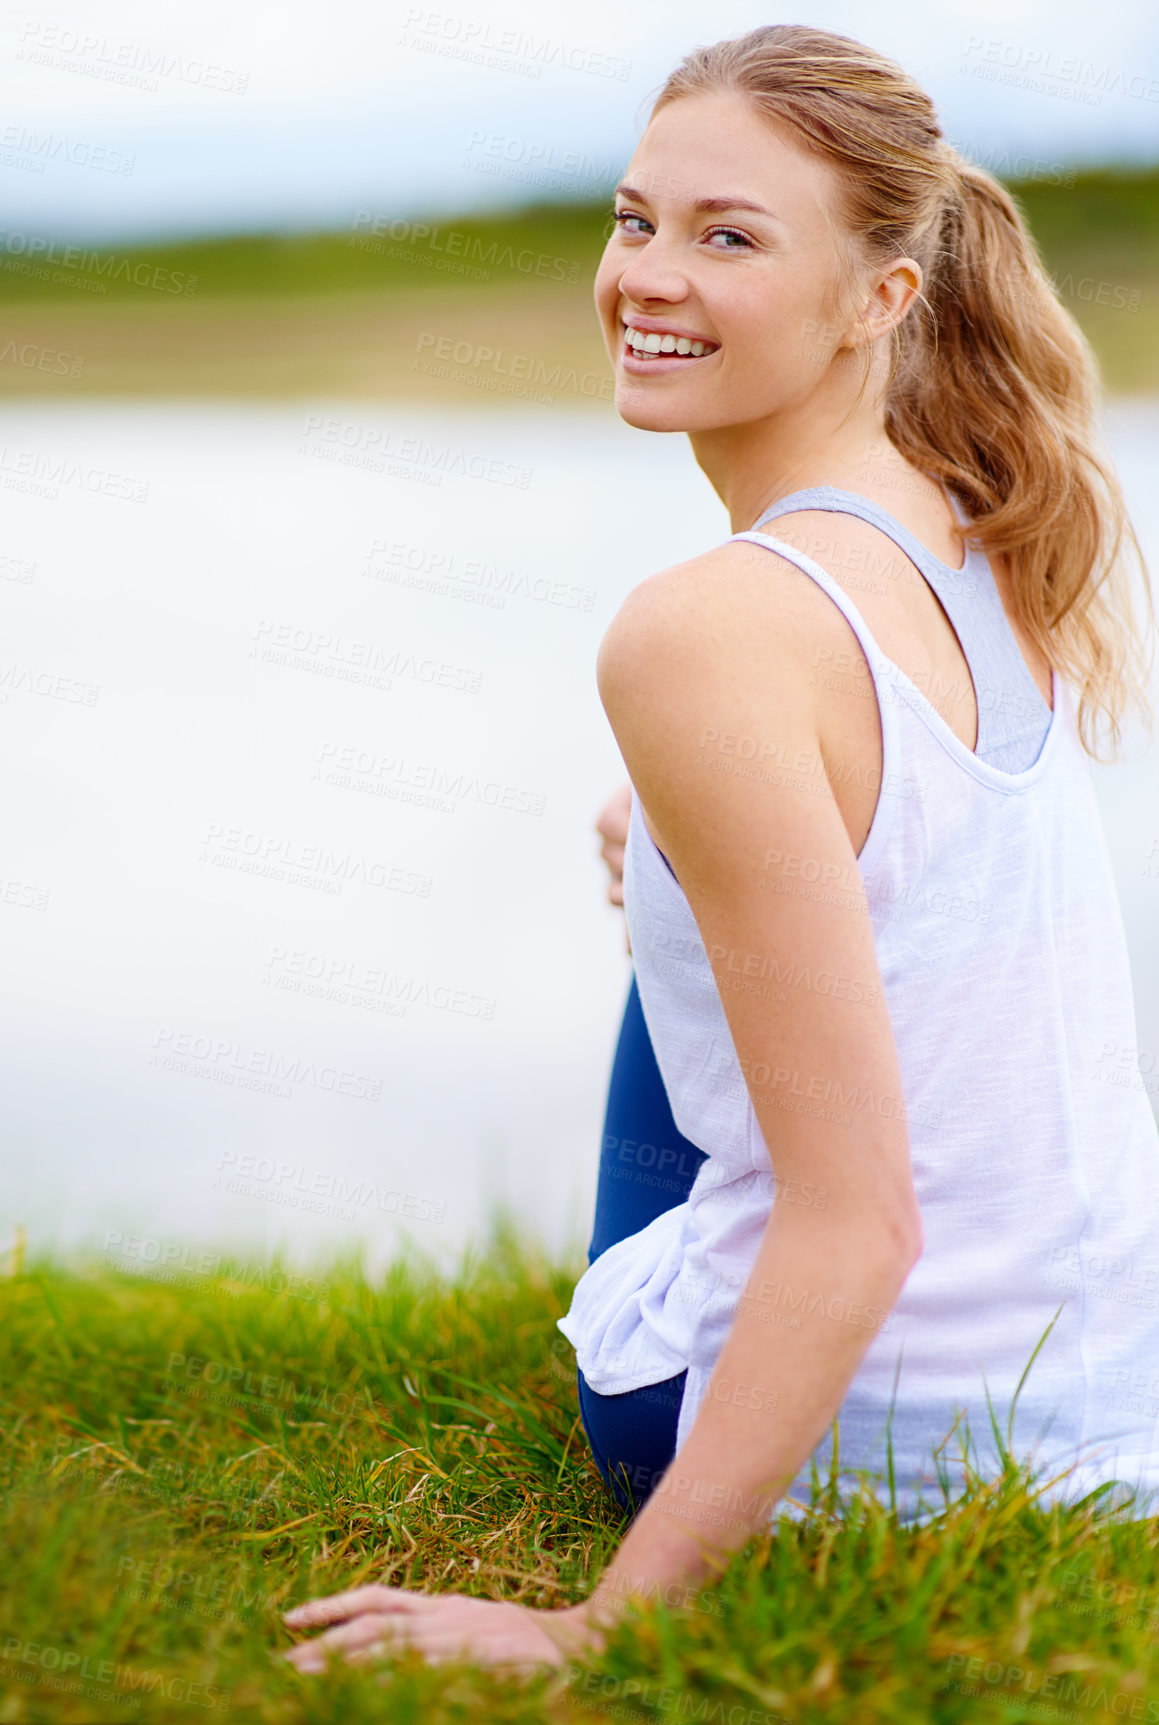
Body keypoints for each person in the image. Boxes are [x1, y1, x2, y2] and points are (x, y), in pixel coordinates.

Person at [283, 23, 1158, 1673]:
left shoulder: (705, 632)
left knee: (709, 986)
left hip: (870, 1460)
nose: (647, 278)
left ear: (882, 297)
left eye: (730, 236)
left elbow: (861, 1220)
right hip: (1093, 1397)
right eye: (634, 220)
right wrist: (689, 826)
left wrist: (599, 1630)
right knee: (705, 868)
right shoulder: (980, 515)